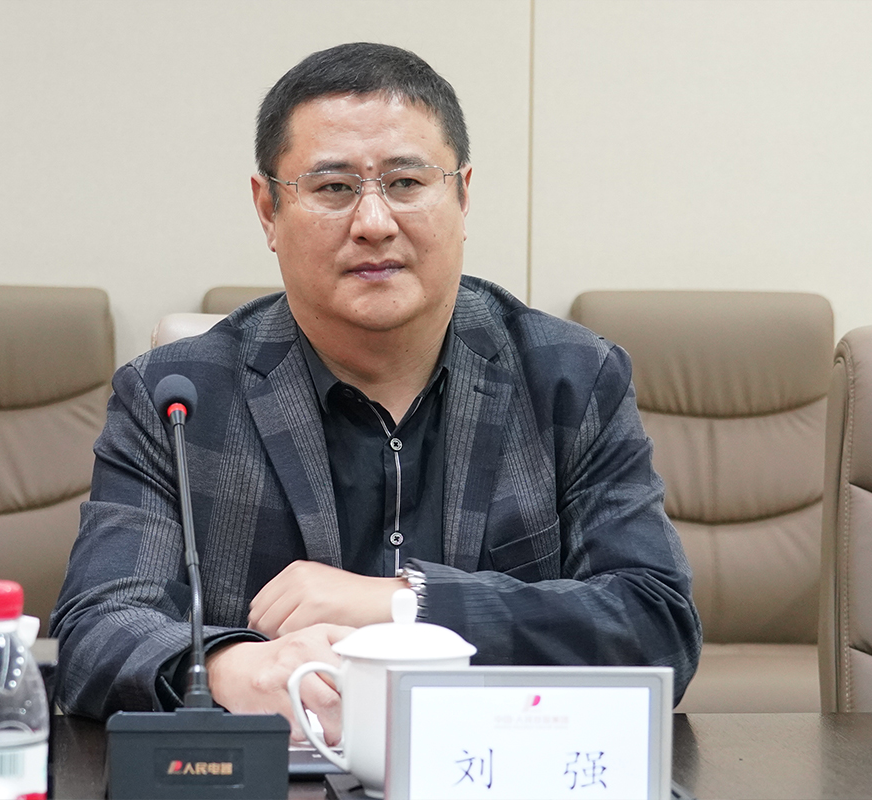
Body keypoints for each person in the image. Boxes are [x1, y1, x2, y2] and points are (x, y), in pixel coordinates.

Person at [51, 42, 700, 742]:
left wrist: (405, 604)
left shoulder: (570, 380)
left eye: (406, 182)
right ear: (268, 210)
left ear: (462, 196)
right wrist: (231, 670)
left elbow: (654, 624)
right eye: (333, 188)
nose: (374, 223)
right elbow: (95, 628)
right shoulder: (176, 399)